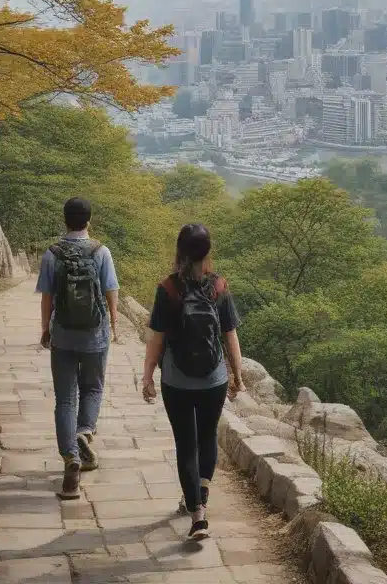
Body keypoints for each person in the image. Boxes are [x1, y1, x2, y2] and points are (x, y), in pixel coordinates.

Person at [141, 223, 244, 541]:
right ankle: (202, 491)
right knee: (207, 435)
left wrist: (147, 376)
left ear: (179, 251)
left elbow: (156, 340)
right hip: (214, 378)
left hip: (177, 380)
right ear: (207, 252)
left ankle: (197, 514)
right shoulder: (219, 287)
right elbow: (231, 336)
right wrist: (237, 376)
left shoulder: (168, 289)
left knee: (186, 444)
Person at [36, 196, 120, 499]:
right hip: (95, 335)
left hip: (63, 335)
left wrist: (45, 329)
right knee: (93, 388)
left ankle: (71, 457)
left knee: (65, 399)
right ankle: (85, 432)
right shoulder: (101, 252)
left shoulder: (52, 254)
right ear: (89, 220)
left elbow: (46, 297)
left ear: (65, 220)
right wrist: (113, 323)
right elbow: (111, 289)